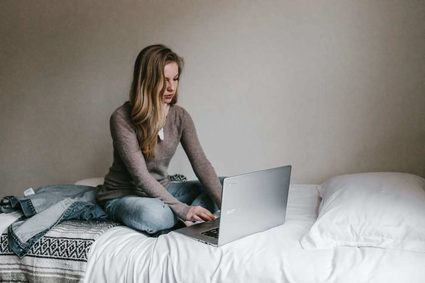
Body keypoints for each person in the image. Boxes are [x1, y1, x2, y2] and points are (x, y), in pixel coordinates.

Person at [96, 44, 223, 235]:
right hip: (124, 195)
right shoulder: (121, 117)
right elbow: (141, 177)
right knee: (156, 216)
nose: (171, 87)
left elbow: (201, 164)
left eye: (175, 79)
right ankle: (187, 215)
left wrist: (227, 206)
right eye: (164, 80)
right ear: (147, 81)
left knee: (226, 185)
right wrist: (183, 209)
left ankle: (196, 217)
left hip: (164, 189)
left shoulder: (180, 116)